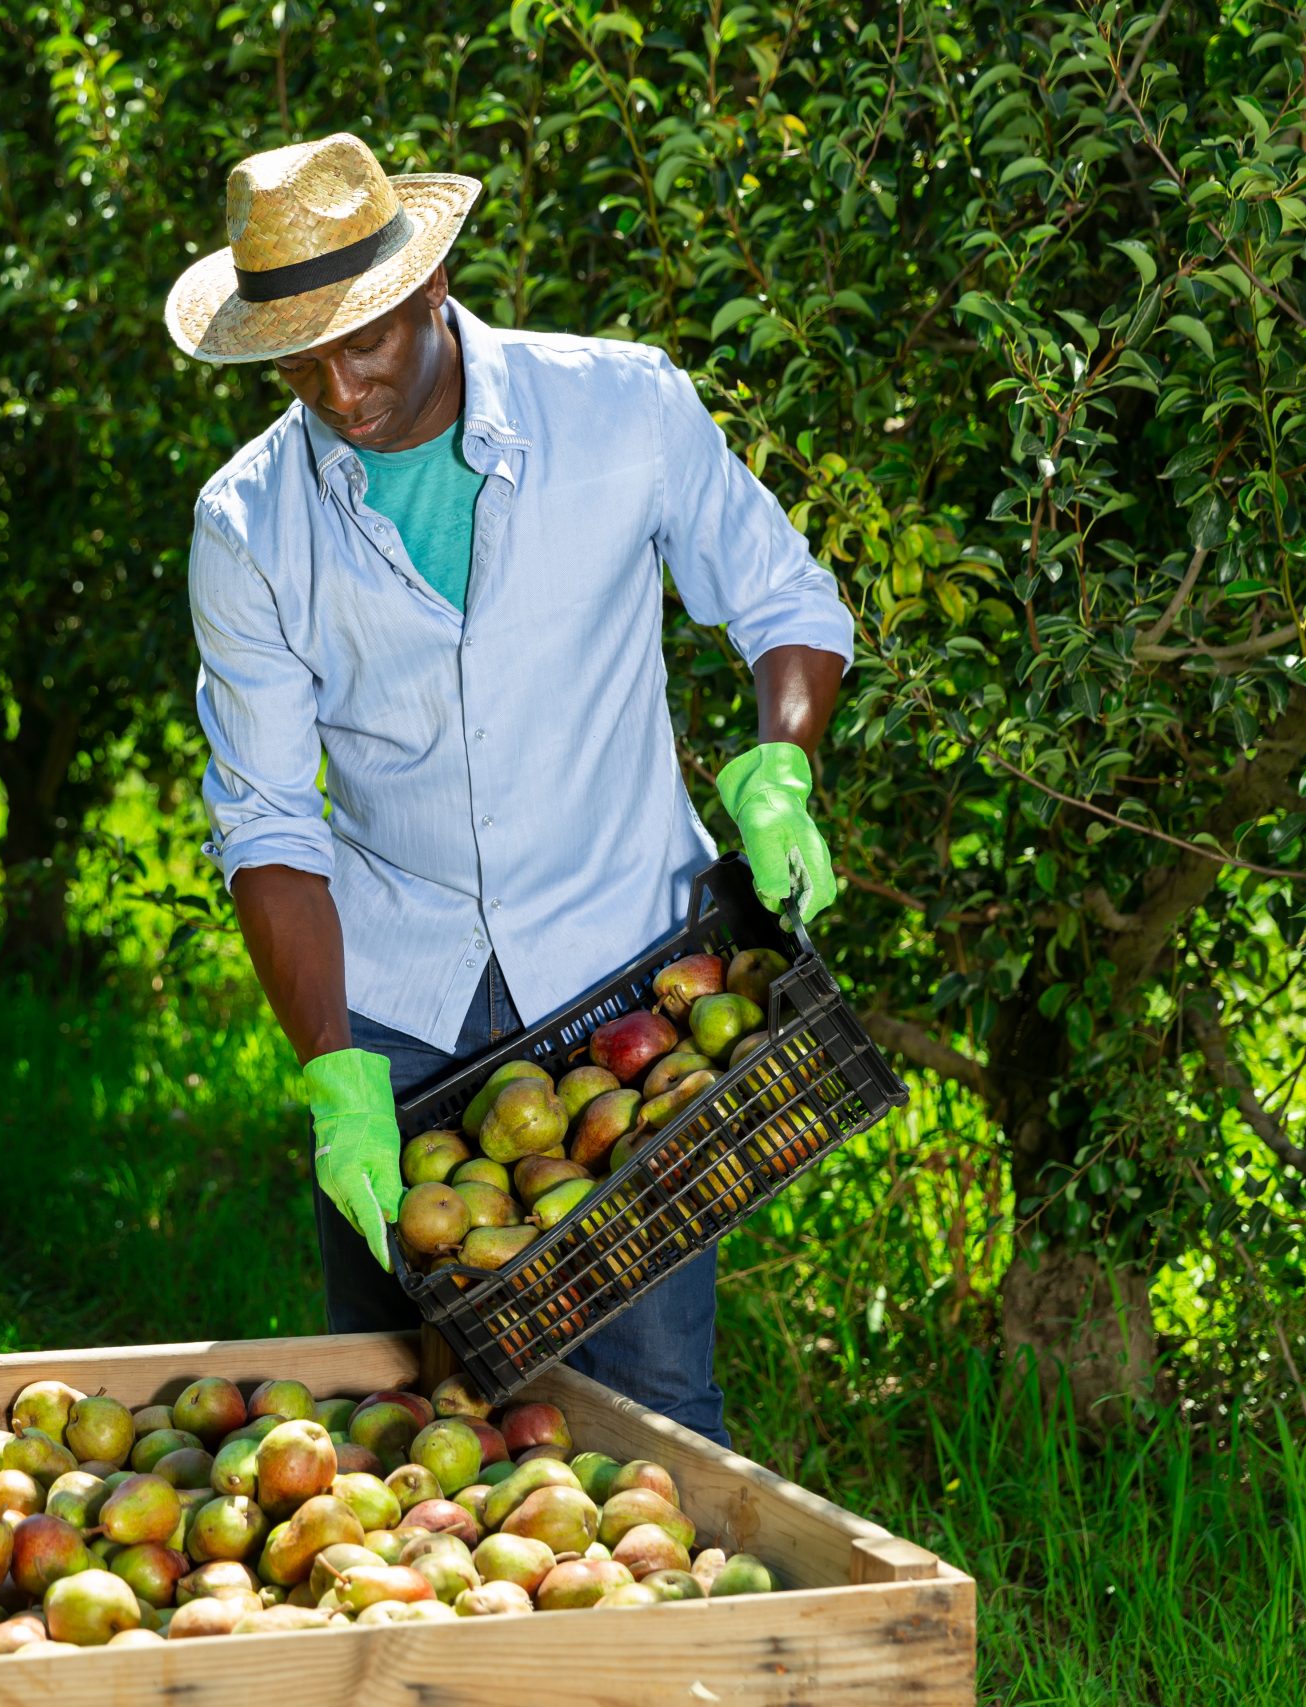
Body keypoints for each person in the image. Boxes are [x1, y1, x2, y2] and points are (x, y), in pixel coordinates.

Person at [167, 134, 854, 1443]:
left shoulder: (621, 409)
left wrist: (779, 766)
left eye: (359, 341)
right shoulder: (249, 522)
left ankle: (660, 1652)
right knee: (394, 1413)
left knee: (654, 1398)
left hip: (625, 970)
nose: (335, 387)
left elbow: (782, 600)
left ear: (429, 288)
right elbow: (267, 816)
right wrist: (334, 1072)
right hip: (403, 1002)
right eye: (296, 359)